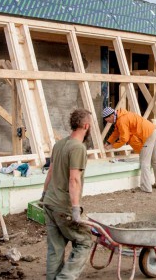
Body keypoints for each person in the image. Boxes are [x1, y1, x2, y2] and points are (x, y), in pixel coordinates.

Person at [41, 109, 94, 280]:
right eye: (90, 125)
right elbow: (74, 179)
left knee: (55, 248)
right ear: (86, 125)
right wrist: (76, 209)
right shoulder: (78, 148)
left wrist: (44, 194)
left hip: (49, 201)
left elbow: (50, 172)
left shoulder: (60, 144)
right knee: (85, 241)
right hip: (63, 206)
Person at [102, 107, 156, 193]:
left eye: (107, 120)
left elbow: (124, 138)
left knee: (144, 163)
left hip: (147, 136)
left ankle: (146, 187)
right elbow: (116, 132)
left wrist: (113, 146)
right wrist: (108, 141)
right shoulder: (121, 116)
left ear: (112, 115)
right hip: (153, 131)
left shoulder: (121, 120)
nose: (107, 122)